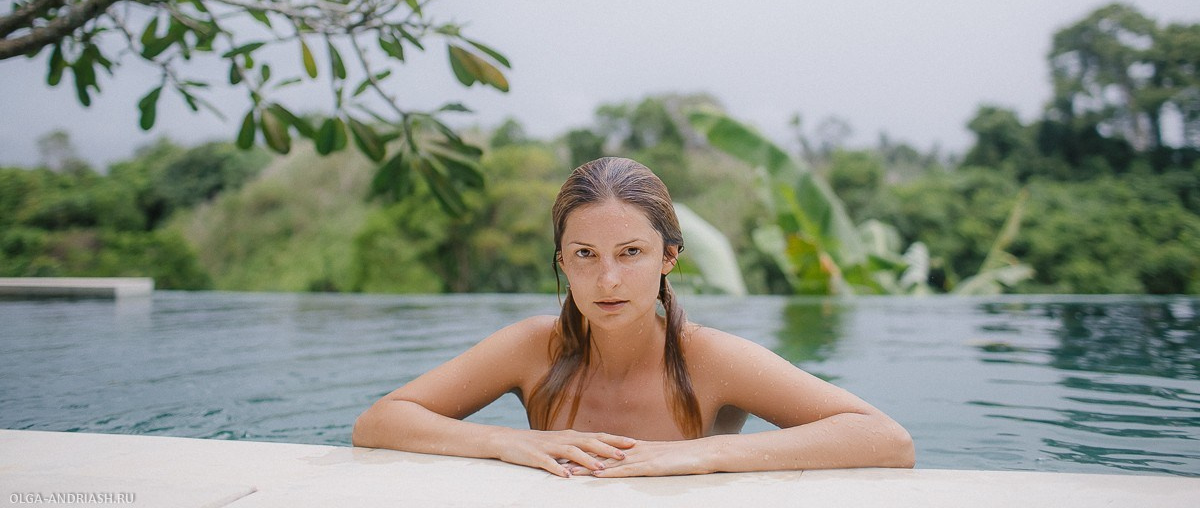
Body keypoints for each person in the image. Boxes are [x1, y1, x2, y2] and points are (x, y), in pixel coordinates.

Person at [353, 157, 914, 477]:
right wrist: (506, 442)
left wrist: (703, 453)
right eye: (584, 255)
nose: (608, 280)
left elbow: (886, 440)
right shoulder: (533, 349)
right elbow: (379, 422)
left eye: (630, 252)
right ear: (561, 263)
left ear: (668, 257)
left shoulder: (708, 359)